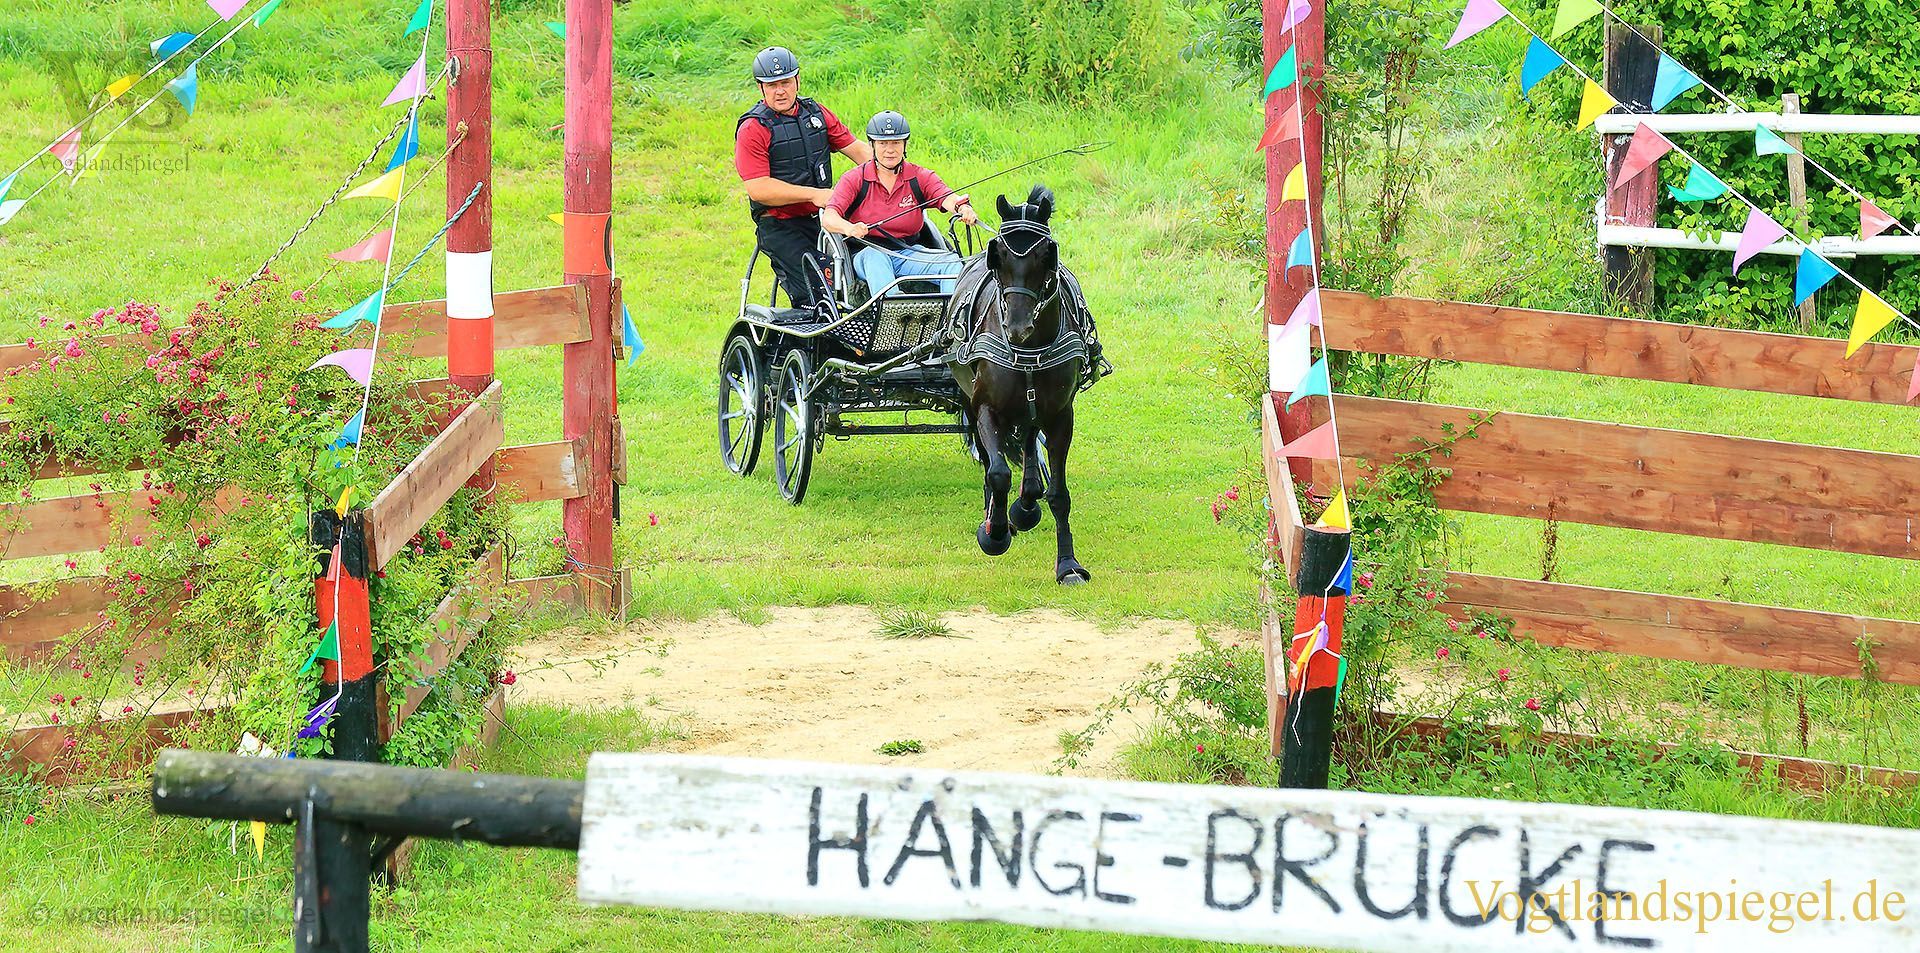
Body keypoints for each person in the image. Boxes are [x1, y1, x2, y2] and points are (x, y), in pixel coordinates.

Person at [734, 46, 872, 309]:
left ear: (797, 81)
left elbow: (859, 151)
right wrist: (814, 194)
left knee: (863, 274)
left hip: (825, 219)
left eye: (785, 82)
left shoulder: (816, 114)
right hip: (781, 227)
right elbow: (758, 189)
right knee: (819, 296)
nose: (780, 91)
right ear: (760, 88)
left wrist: (892, 173)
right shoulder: (754, 128)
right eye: (772, 85)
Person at [820, 110, 979, 300]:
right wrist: (850, 228)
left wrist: (962, 208)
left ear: (904, 145)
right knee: (875, 259)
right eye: (883, 143)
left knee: (952, 263)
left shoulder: (919, 176)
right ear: (872, 145)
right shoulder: (854, 178)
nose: (890, 150)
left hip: (909, 253)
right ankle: (894, 317)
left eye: (896, 143)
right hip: (867, 254)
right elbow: (829, 218)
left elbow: (947, 197)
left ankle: (948, 320)